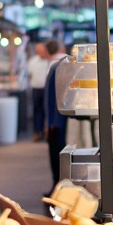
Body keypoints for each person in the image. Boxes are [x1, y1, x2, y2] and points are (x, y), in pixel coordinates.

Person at [42, 39, 68, 189]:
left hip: (56, 120)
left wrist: (50, 122)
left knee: (56, 154)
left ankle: (57, 188)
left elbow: (50, 99)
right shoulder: (65, 64)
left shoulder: (55, 67)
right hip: (61, 119)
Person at [26, 39, 51, 141]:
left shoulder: (49, 61)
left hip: (46, 88)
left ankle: (47, 132)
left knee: (47, 110)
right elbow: (29, 74)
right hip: (36, 88)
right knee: (37, 111)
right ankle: (37, 131)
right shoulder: (32, 61)